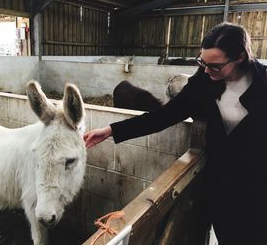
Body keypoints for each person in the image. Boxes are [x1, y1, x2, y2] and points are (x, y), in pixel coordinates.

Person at [84, 22, 267, 244]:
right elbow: (163, 116)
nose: (206, 70)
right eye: (202, 62)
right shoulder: (202, 84)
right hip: (221, 188)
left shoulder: (263, 83)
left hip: (258, 188)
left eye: (215, 65)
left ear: (239, 57)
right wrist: (111, 130)